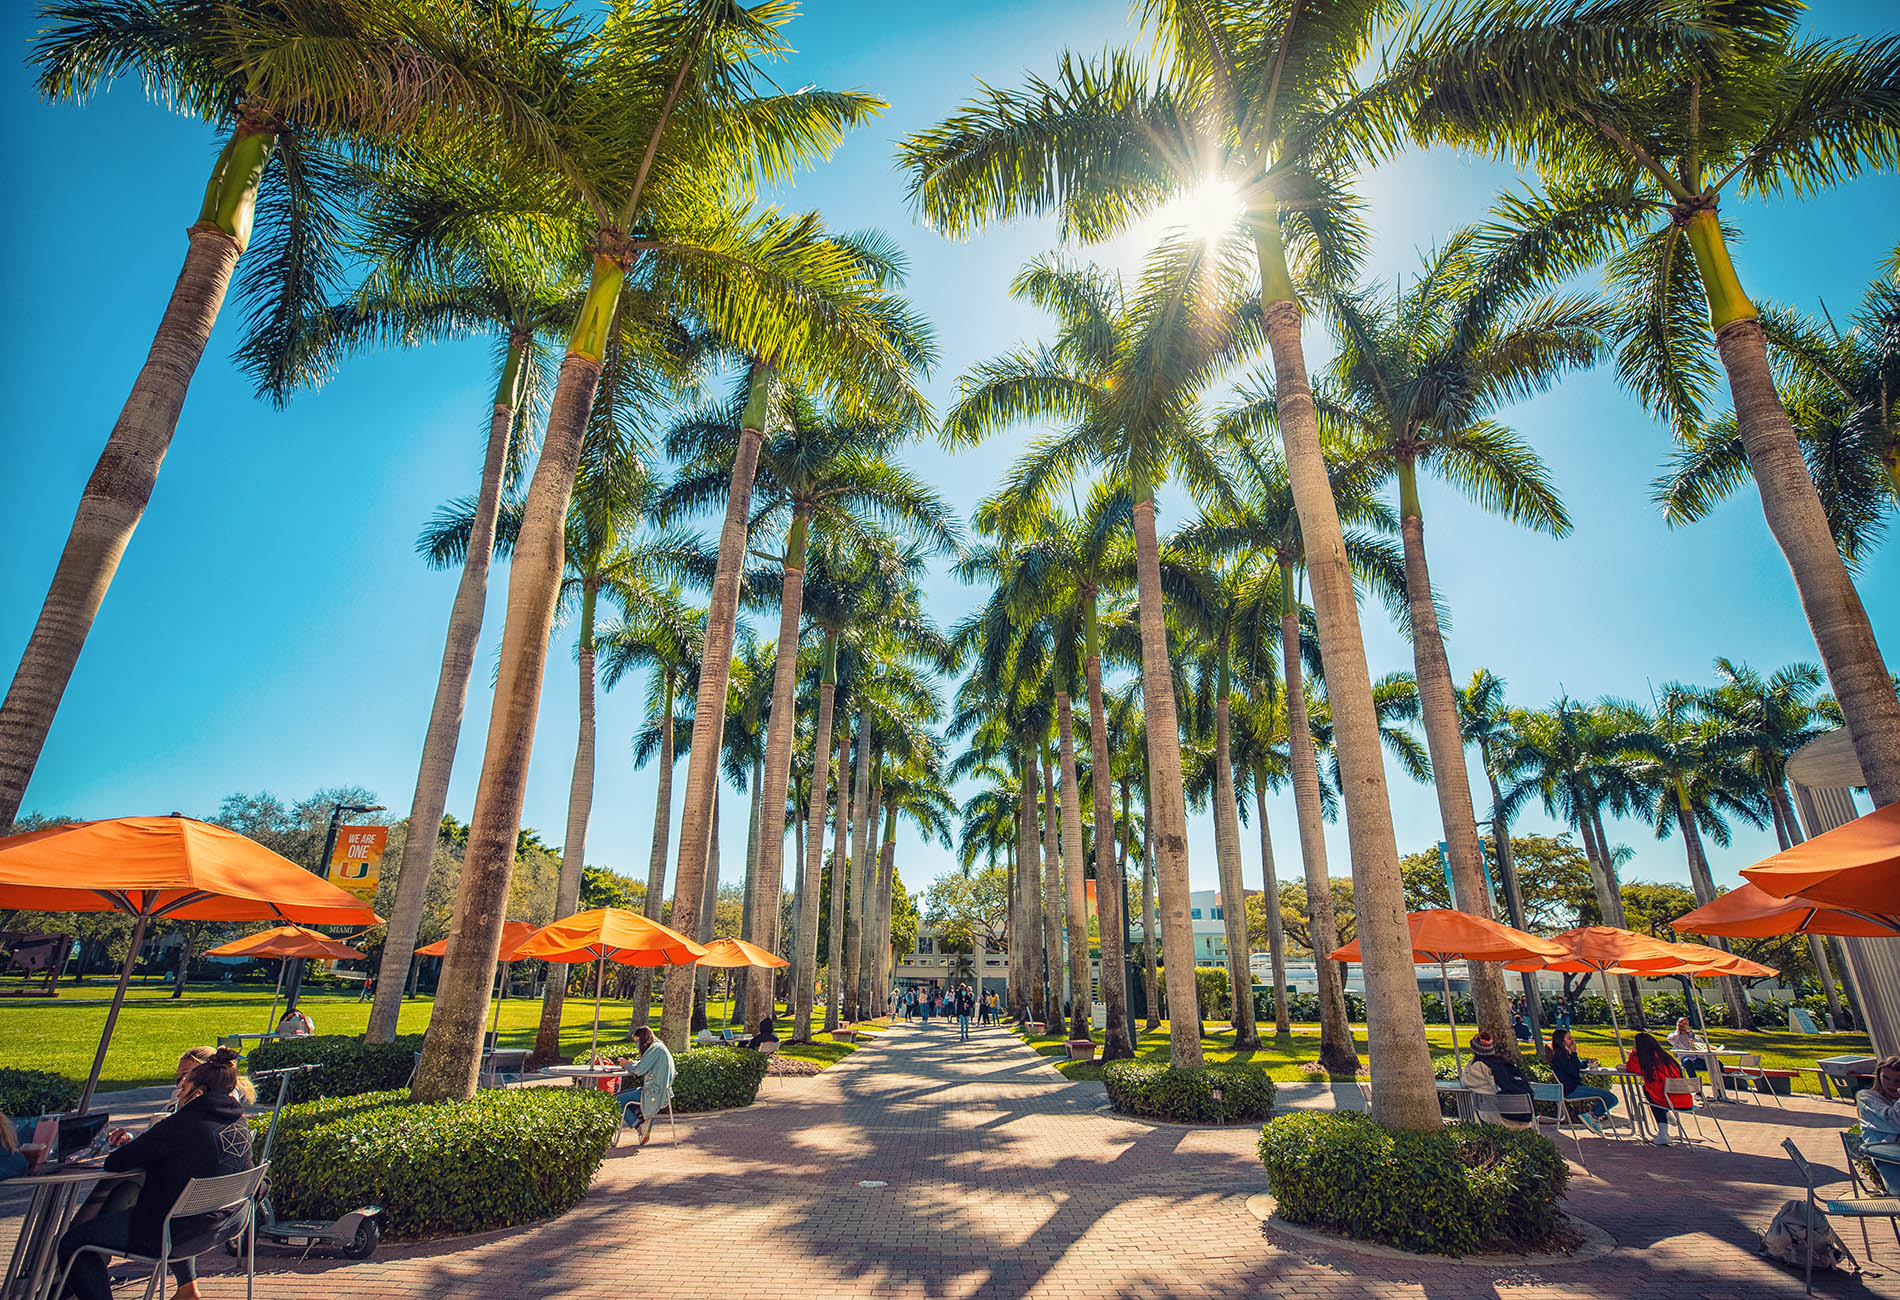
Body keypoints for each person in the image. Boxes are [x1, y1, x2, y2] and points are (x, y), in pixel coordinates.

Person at [56, 1048, 253, 1300]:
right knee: (178, 1208)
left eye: (183, 1089)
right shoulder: (239, 1124)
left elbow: (117, 1162)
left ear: (198, 1092)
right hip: (227, 1223)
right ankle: (186, 1289)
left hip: (170, 1233)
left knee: (74, 1243)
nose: (179, 1094)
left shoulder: (181, 1124)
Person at [1627, 1031, 1694, 1147]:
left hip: (1666, 1100)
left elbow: (1631, 1068)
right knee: (1654, 1094)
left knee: (1649, 1093)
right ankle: (1666, 1117)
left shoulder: (1646, 1061)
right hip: (1685, 1100)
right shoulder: (1666, 1057)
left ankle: (1663, 1133)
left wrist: (1633, 1054)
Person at [1549, 1028, 1619, 1136]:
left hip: (1573, 1087)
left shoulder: (1563, 1055)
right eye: (1569, 1038)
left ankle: (1593, 1116)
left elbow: (1575, 1065)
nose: (1572, 1040)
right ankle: (1593, 1115)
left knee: (1610, 1098)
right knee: (1611, 1098)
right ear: (1561, 1041)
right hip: (1571, 1089)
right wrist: (1574, 1053)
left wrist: (1586, 1062)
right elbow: (1574, 1071)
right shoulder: (1560, 1057)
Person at [1459, 1031, 1535, 1128]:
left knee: (1476, 1106)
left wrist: (1471, 1063)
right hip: (1525, 1120)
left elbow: (1465, 1082)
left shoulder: (1479, 1067)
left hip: (1500, 1118)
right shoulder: (1506, 1064)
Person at [1854, 1055, 1900, 1192]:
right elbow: (1894, 1121)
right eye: (1886, 1078)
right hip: (1890, 1161)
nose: (1891, 1084)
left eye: (1898, 1080)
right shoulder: (1867, 1098)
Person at [624, 1026, 675, 1148]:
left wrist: (625, 1064)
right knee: (624, 1098)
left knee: (615, 1100)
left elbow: (639, 1071)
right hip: (659, 1090)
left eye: (637, 1042)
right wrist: (633, 1064)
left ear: (642, 1040)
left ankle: (639, 1125)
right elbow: (644, 1065)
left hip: (654, 1092)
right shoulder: (658, 1047)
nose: (636, 1045)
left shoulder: (654, 1050)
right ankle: (641, 1118)